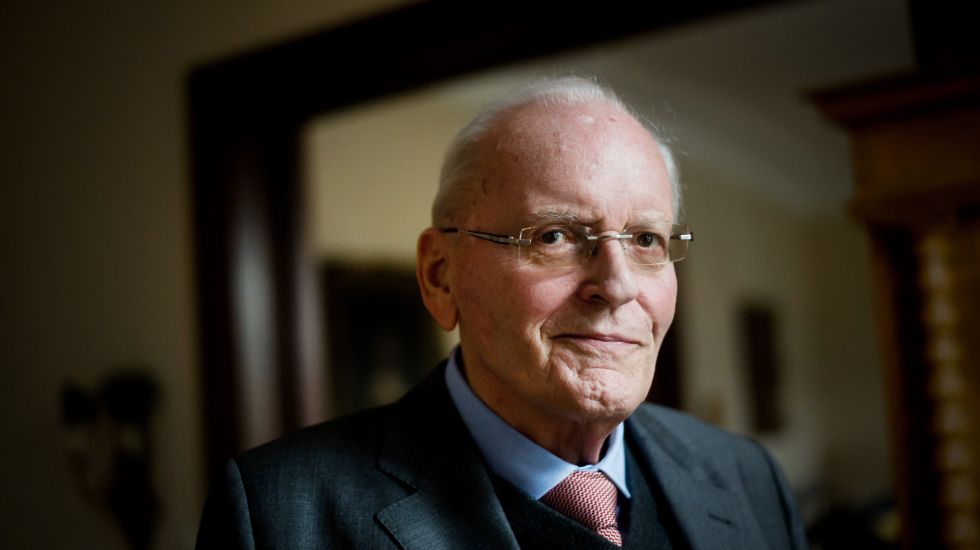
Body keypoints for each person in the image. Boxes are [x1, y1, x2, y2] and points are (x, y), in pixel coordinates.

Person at [196, 76, 807, 549]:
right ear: (441, 275)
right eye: (555, 236)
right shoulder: (278, 515)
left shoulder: (747, 476)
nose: (617, 286)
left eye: (646, 239)